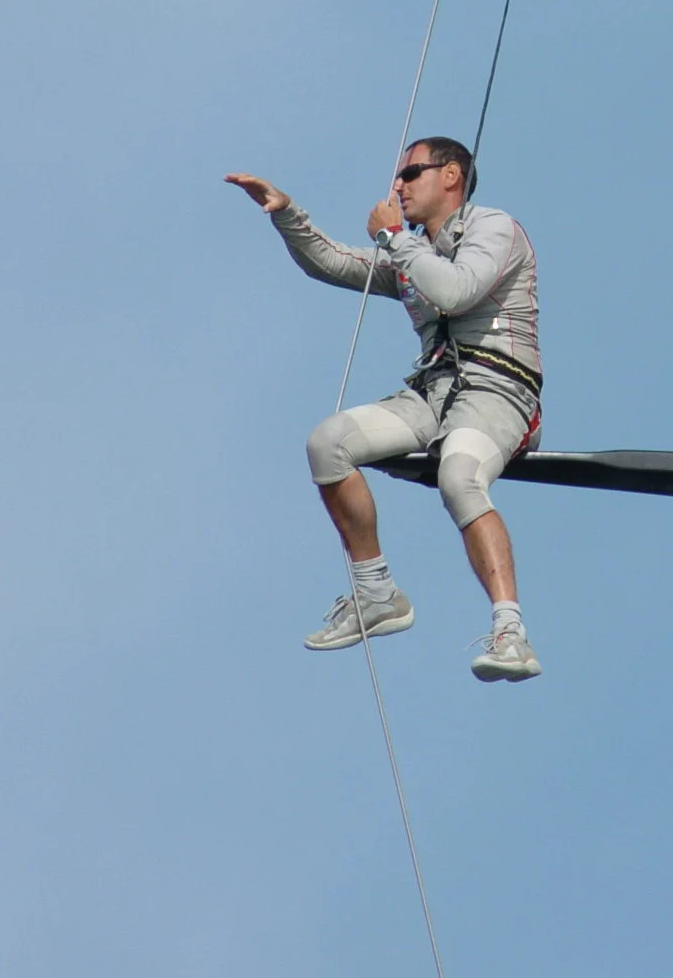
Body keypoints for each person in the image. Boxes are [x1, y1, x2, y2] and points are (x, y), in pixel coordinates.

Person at [225, 137, 545, 682]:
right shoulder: (409, 252)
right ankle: (376, 594)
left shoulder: (495, 228)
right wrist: (286, 214)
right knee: (328, 443)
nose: (398, 186)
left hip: (499, 390)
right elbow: (334, 261)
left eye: (411, 173)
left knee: (459, 476)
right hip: (433, 393)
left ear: (451, 175)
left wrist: (395, 238)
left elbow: (456, 291)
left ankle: (510, 632)